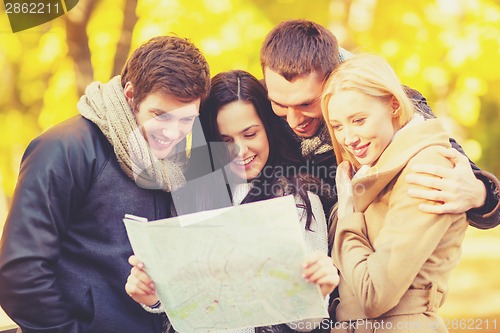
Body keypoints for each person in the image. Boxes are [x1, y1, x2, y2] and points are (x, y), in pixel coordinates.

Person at [0, 35, 210, 333]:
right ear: (130, 94)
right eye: (159, 115)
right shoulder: (64, 149)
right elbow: (19, 275)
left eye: (185, 120)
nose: (173, 132)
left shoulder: (172, 166)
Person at [125, 70, 339, 333]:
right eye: (225, 141)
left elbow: (305, 323)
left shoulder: (298, 198)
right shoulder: (190, 193)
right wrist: (155, 297)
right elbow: (187, 305)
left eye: (250, 134)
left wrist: (316, 294)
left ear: (269, 129)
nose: (240, 151)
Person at [260, 19, 499, 229]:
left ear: (334, 79)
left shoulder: (388, 102)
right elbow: (221, 171)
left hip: (369, 260)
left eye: (306, 105)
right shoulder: (257, 100)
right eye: (280, 105)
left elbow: (489, 201)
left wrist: (478, 194)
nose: (293, 120)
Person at [322, 54, 469, 332]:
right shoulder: (374, 169)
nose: (348, 138)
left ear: (392, 104)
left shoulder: (426, 168)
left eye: (359, 120)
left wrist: (347, 215)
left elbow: (374, 295)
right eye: (338, 126)